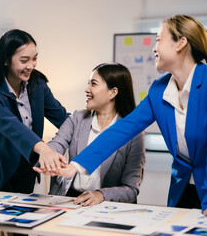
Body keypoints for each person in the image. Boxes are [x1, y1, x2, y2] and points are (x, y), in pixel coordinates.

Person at [35, 15, 207, 221]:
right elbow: (122, 130)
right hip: (183, 187)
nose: (154, 47)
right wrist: (75, 166)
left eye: (159, 39)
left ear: (180, 43)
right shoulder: (159, 90)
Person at [0, 29, 68, 194]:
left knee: (22, 215)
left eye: (35, 58)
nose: (31, 66)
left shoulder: (37, 84)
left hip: (27, 166)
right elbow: (13, 127)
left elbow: (62, 117)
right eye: (24, 60)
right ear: (6, 60)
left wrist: (91, 127)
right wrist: (44, 150)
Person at [48, 63, 145, 206]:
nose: (87, 89)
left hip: (104, 204)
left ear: (113, 92)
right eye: (89, 83)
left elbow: (131, 189)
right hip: (69, 200)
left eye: (93, 84)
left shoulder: (133, 133)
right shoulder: (76, 118)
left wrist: (101, 195)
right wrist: (48, 155)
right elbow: (57, 144)